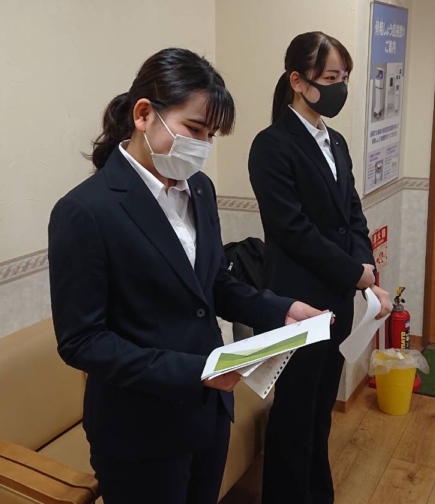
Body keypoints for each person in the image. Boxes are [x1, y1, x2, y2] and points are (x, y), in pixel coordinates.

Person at [48, 48, 328, 504]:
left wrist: (282, 309)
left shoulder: (199, 188)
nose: (203, 145)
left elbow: (213, 284)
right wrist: (193, 372)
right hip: (139, 431)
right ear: (144, 114)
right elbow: (82, 341)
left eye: (211, 135)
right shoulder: (85, 211)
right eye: (194, 129)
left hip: (209, 414)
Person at [249, 32, 393, 504]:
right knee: (293, 414)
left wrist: (366, 265)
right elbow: (293, 230)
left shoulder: (337, 142)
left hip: (336, 299)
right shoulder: (271, 145)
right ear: (298, 81)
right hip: (295, 302)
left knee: (319, 411)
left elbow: (352, 213)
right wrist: (354, 273)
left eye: (344, 78)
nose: (340, 87)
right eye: (330, 78)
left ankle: (316, 493)